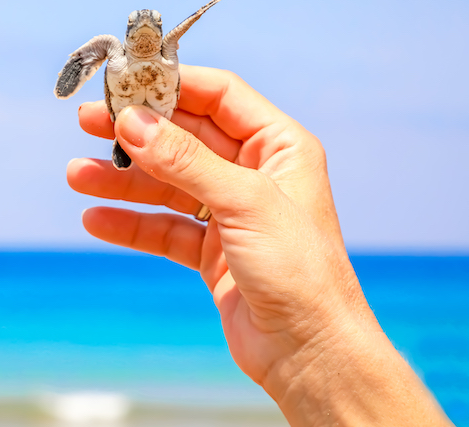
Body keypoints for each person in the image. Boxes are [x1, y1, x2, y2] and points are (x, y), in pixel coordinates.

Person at [66, 65, 453, 426]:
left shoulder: (167, 55)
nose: (142, 30)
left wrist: (312, 342)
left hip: (159, 114)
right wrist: (307, 348)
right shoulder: (117, 53)